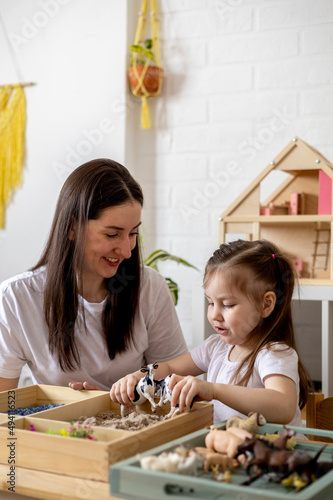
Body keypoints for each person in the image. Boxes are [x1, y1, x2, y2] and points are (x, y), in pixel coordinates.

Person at [0, 159, 187, 392]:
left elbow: (174, 387)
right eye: (112, 234)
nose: (127, 251)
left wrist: (109, 406)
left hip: (134, 425)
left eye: (133, 233)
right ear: (71, 228)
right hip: (56, 428)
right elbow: (5, 405)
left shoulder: (150, 287)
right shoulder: (16, 298)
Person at [111, 239, 312, 426]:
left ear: (266, 304)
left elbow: (283, 406)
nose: (215, 314)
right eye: (210, 302)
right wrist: (138, 376)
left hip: (278, 456)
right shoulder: (215, 347)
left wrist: (213, 390)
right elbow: (169, 366)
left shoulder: (274, 353)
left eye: (228, 304)